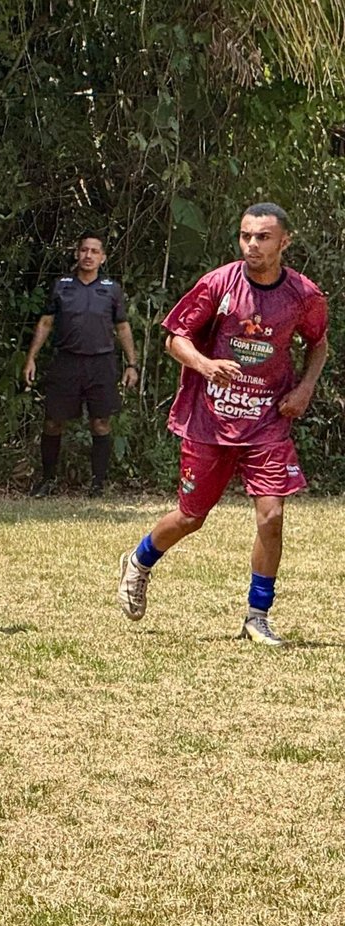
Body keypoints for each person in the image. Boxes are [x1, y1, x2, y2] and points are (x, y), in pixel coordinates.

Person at [117, 203, 328, 647]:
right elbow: (176, 338)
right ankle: (139, 561)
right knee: (192, 517)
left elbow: (318, 342)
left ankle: (257, 615)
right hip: (210, 421)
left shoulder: (303, 295)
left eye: (264, 237)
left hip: (267, 420)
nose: (253, 245)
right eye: (246, 236)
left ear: (284, 242)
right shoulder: (219, 283)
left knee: (271, 517)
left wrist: (305, 387)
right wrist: (206, 364)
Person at [23, 232, 139, 496]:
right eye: (84, 250)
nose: (88, 256)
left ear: (103, 257)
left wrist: (132, 364)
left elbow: (122, 326)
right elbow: (45, 322)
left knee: (101, 422)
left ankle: (98, 483)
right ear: (77, 254)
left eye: (94, 251)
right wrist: (31, 358)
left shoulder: (111, 289)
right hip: (66, 362)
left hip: (101, 363)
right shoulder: (62, 286)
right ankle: (48, 480)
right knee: (53, 421)